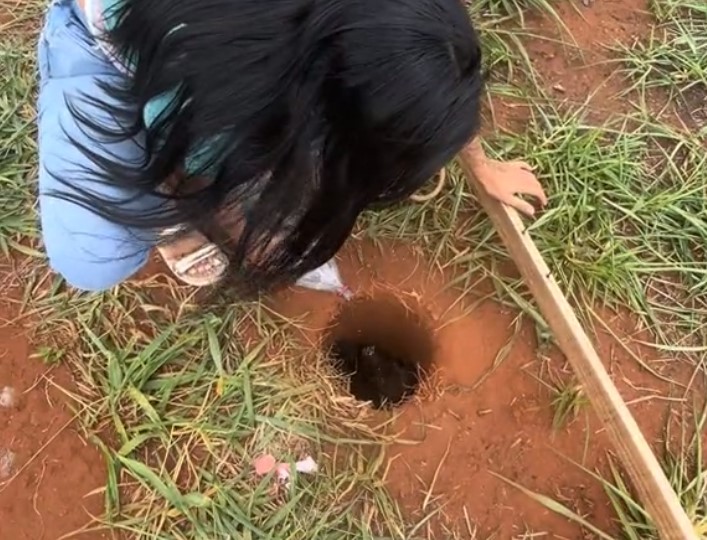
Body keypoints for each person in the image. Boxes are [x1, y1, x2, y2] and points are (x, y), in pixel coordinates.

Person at [37, 0, 547, 293]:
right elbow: (194, 160)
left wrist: (481, 162)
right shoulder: (208, 74)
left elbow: (422, 64)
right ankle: (173, 224)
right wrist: (230, 225)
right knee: (93, 259)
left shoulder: (381, 21)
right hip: (111, 37)